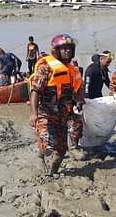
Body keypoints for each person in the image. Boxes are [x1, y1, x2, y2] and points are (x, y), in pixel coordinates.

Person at [29, 34, 83, 176]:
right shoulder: (46, 69)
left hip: (63, 114)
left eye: (69, 49)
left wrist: (80, 101)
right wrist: (33, 114)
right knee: (48, 143)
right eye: (63, 49)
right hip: (45, 112)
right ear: (56, 50)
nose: (67, 52)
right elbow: (35, 91)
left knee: (61, 149)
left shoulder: (73, 70)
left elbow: (79, 88)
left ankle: (52, 173)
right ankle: (40, 156)